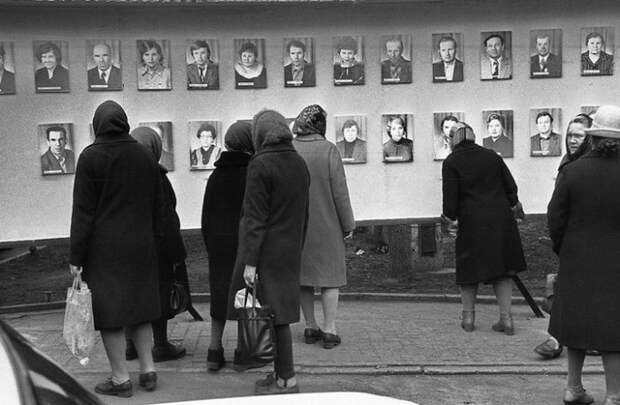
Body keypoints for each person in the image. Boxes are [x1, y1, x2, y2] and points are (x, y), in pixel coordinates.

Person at [69, 100, 162, 397]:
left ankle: (121, 379)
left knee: (110, 314)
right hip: (141, 244)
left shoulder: (90, 157)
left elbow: (83, 211)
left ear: (98, 125)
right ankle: (148, 371)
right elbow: (158, 206)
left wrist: (76, 257)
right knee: (140, 307)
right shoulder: (143, 155)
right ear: (123, 122)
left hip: (104, 248)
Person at [227, 109, 310, 395]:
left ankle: (286, 379)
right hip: (289, 248)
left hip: (266, 250)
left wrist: (250, 261)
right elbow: (304, 213)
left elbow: (254, 217)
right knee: (280, 312)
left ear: (260, 133)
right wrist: (297, 245)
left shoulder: (260, 163)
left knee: (275, 315)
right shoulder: (298, 162)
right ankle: (278, 373)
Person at [547, 105, 620, 405]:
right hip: (616, 260)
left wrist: (564, 247)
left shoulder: (571, 172)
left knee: (575, 322)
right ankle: (614, 394)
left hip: (576, 256)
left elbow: (555, 217)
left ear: (593, 137)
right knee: (613, 325)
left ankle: (573, 387)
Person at [442, 122, 527, 335]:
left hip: (471, 222)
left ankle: (468, 319)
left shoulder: (451, 161)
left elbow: (450, 204)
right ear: (472, 136)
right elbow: (511, 188)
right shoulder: (492, 156)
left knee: (469, 270)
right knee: (503, 270)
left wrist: (449, 220)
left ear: (454, 139)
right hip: (501, 220)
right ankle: (506, 320)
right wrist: (511, 205)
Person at [292, 105, 355, 350]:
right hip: (328, 224)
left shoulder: (291, 149)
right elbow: (340, 192)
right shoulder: (329, 150)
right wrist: (348, 223)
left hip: (298, 226)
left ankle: (310, 326)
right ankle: (330, 329)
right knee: (330, 279)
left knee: (304, 278)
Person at [534, 113, 593, 360]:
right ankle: (559, 339)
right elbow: (556, 209)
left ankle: (580, 339)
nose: (572, 140)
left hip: (593, 237)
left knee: (588, 291)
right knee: (568, 289)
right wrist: (561, 242)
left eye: (578, 135)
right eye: (570, 134)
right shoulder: (567, 163)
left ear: (590, 138)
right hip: (572, 239)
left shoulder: (592, 165)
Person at [128, 127, 187, 363]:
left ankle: (129, 345)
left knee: (132, 294)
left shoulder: (122, 176)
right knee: (160, 294)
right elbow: (166, 217)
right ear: (155, 148)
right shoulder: (157, 177)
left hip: (129, 248)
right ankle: (160, 345)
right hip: (157, 248)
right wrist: (177, 252)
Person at [201, 121, 254, 371]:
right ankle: (243, 351)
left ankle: (214, 350)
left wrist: (211, 243)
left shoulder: (215, 175)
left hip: (219, 244)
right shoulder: (253, 174)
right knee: (246, 295)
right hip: (244, 243)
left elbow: (206, 216)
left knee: (219, 294)